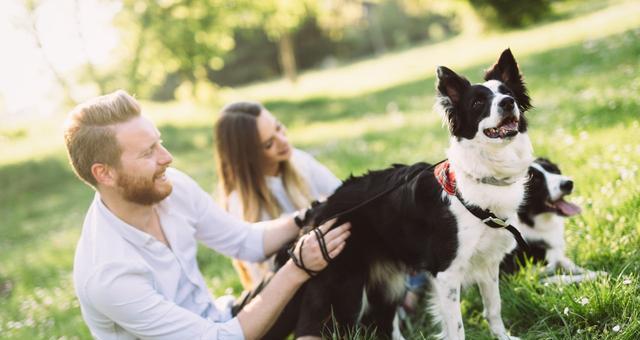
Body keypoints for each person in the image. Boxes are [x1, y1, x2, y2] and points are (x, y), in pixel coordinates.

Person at [64, 90, 351, 340]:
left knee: (323, 254)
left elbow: (244, 241)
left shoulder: (171, 187)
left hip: (224, 321)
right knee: (302, 267)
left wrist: (309, 215)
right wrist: (298, 268)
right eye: (148, 152)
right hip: (220, 336)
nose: (166, 158)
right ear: (105, 173)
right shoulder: (108, 273)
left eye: (159, 142)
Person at [214, 101, 341, 289]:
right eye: (268, 144)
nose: (283, 140)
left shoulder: (298, 161)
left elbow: (342, 195)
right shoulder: (241, 204)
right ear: (248, 156)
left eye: (278, 128)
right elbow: (266, 277)